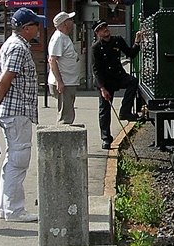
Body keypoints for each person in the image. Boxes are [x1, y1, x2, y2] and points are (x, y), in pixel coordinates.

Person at [0, 7, 44, 222]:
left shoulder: (9, 45)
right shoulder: (18, 48)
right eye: (35, 25)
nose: (38, 28)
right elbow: (5, 78)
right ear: (26, 28)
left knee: (11, 160)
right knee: (19, 160)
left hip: (12, 111)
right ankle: (15, 209)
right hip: (17, 111)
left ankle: (6, 208)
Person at [91, 20, 141, 149]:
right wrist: (102, 88)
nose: (105, 29)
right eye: (101, 28)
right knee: (104, 110)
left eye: (106, 26)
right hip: (105, 81)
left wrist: (137, 42)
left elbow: (130, 53)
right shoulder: (96, 47)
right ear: (97, 33)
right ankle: (106, 138)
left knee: (133, 81)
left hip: (119, 75)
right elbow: (96, 69)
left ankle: (125, 111)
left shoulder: (117, 40)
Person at [46, 11, 81, 125]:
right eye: (70, 20)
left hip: (69, 81)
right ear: (65, 23)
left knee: (68, 112)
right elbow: (52, 60)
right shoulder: (58, 38)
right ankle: (64, 140)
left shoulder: (64, 37)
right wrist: (59, 82)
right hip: (64, 82)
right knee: (65, 117)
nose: (72, 22)